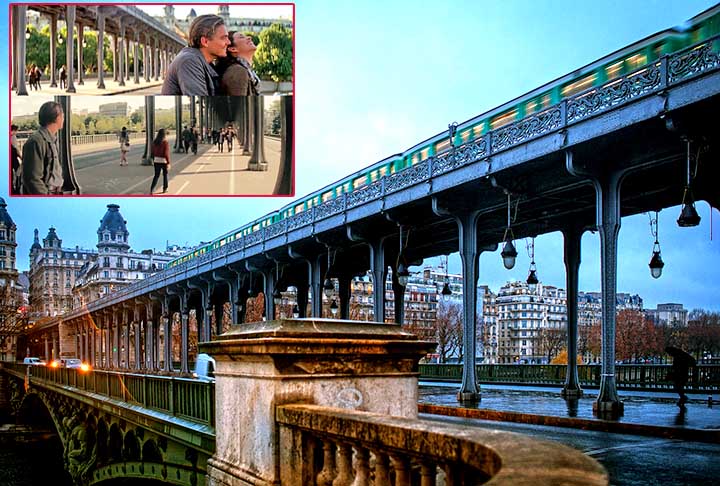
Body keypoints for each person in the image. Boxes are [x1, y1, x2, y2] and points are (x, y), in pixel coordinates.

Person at [161, 15, 229, 96]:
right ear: (205, 42)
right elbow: (200, 105)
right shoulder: (189, 61)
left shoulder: (203, 62)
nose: (228, 42)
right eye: (223, 38)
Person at [21, 101, 65, 194]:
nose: (63, 119)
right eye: (62, 116)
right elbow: (32, 179)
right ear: (57, 118)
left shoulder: (52, 139)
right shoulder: (36, 141)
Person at [218, 31, 260, 96]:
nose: (249, 38)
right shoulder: (237, 71)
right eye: (241, 37)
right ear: (233, 49)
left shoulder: (242, 70)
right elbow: (238, 104)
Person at [149, 129, 171, 195]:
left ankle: (152, 189)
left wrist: (153, 160)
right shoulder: (165, 142)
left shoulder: (155, 142)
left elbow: (152, 152)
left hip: (156, 160)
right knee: (165, 175)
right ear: (164, 134)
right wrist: (168, 162)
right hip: (163, 161)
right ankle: (165, 188)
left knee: (156, 175)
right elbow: (166, 154)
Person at [10, 125, 22, 194]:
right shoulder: (13, 137)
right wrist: (21, 157)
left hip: (10, 157)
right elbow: (16, 149)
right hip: (14, 157)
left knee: (11, 173)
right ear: (14, 130)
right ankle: (18, 187)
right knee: (18, 171)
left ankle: (12, 188)